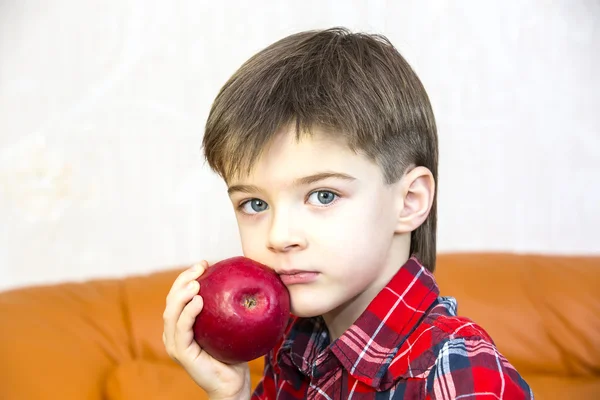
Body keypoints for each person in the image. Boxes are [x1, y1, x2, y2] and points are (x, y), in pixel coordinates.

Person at [162, 27, 533, 399]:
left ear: (409, 201)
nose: (279, 236)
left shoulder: (459, 375)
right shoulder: (291, 342)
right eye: (255, 204)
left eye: (323, 195)